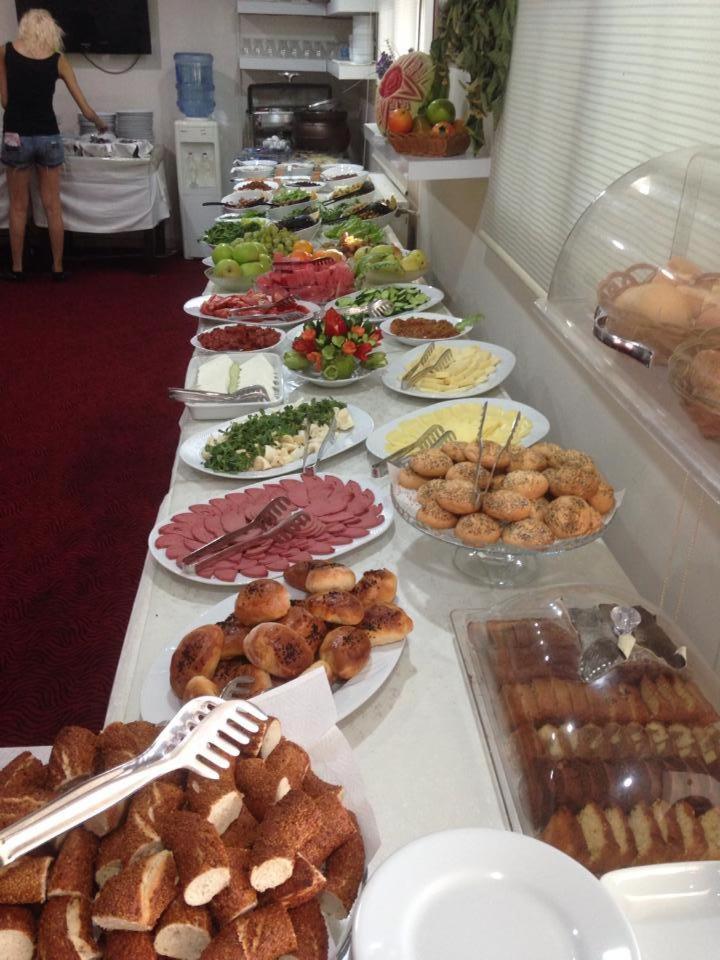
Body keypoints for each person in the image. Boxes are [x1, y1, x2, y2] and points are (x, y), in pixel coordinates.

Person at [0, 8, 107, 280]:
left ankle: (17, 268)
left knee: (18, 207)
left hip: (16, 136)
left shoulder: (5, 52)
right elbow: (84, 107)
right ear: (52, 30)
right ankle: (57, 267)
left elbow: (5, 101)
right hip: (48, 136)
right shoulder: (58, 60)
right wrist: (99, 123)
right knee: (52, 205)